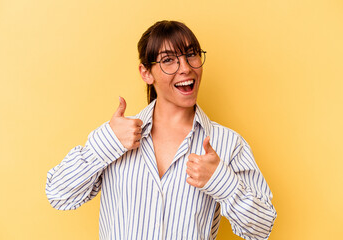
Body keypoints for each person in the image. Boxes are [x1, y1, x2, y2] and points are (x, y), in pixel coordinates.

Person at [46, 20, 277, 240]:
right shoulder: (115, 138)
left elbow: (261, 229)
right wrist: (105, 145)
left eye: (191, 55)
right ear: (146, 73)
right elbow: (58, 194)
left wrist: (222, 182)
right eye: (168, 60)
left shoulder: (227, 143)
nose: (185, 68)